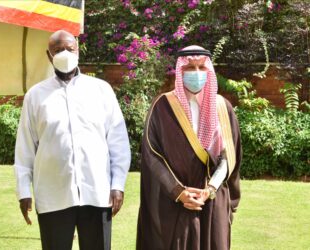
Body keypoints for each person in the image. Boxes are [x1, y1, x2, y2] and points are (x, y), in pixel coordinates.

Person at [14, 30, 131, 250]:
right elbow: (25, 147)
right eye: (58, 50)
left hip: (97, 192)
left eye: (69, 48)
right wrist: (24, 192)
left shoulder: (101, 90)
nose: (64, 53)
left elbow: (118, 141)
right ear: (49, 56)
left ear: (78, 50)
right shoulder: (36, 95)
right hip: (53, 194)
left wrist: (118, 185)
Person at [136, 45, 242, 250]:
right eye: (190, 67)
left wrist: (210, 189)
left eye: (201, 67)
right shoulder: (163, 106)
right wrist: (178, 191)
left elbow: (229, 155)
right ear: (179, 71)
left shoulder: (222, 106)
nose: (196, 73)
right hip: (174, 201)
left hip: (211, 198)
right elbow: (152, 155)